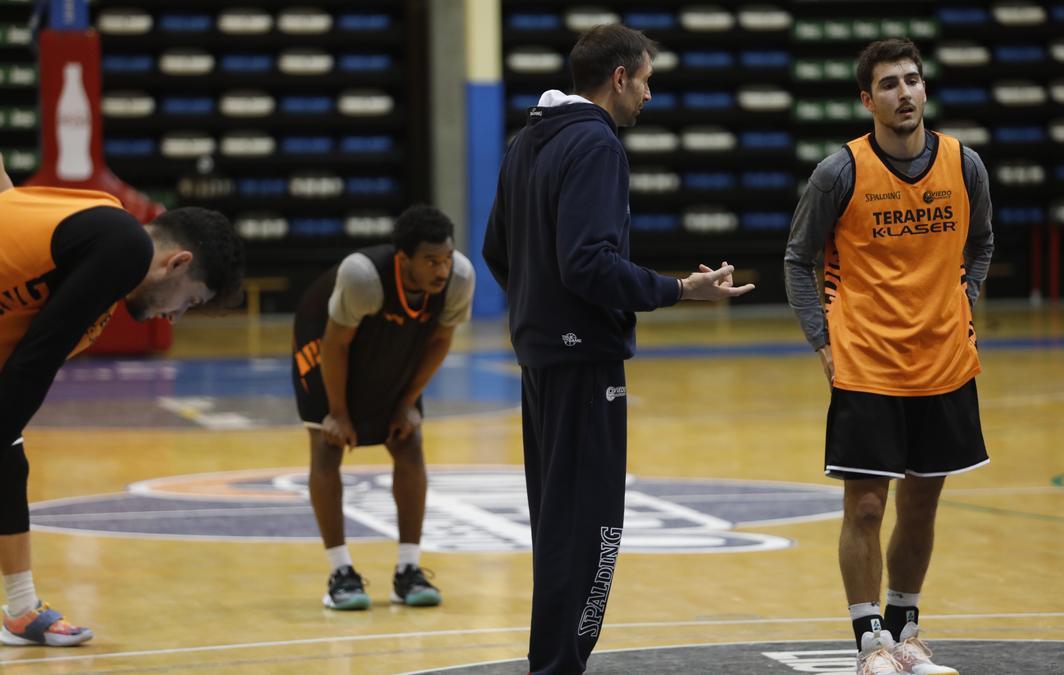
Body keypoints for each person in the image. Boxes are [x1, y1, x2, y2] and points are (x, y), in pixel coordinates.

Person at [482, 23, 755, 675]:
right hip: (584, 361)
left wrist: (539, 309)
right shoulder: (595, 144)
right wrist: (680, 289)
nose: (650, 96)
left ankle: (552, 665)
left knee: (557, 528)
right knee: (591, 532)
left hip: (542, 356)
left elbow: (497, 249)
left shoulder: (528, 141)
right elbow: (587, 264)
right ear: (619, 78)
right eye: (647, 81)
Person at [784, 38, 994, 675]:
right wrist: (823, 343)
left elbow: (980, 242)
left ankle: (907, 631)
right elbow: (798, 258)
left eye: (912, 81)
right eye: (889, 85)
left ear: (925, 89)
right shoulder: (839, 172)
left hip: (944, 363)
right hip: (868, 361)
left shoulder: (965, 165)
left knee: (922, 504)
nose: (903, 93)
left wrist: (965, 299)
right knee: (867, 506)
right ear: (866, 99)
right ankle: (869, 641)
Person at [0, 153, 245, 647]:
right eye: (189, 301)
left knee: (9, 454)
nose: (175, 318)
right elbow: (33, 365)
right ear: (178, 262)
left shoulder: (91, 250)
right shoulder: (122, 242)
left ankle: (22, 607)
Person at [292, 205, 474, 611]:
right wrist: (338, 412)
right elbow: (335, 345)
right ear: (403, 259)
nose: (442, 270)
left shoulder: (459, 278)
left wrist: (407, 403)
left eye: (445, 259)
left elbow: (440, 341)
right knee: (327, 445)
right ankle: (341, 574)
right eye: (431, 261)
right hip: (324, 339)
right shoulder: (364, 278)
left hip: (391, 339)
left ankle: (408, 572)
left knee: (409, 441)